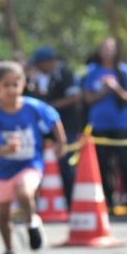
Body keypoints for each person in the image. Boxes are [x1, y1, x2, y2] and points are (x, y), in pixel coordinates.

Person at [0, 60, 65, 254]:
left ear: (23, 84)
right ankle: (10, 249)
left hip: (30, 163)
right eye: (6, 85)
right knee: (2, 216)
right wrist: (6, 149)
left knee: (24, 191)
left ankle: (31, 224)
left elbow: (54, 117)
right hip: (3, 169)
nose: (11, 89)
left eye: (15, 84)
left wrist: (61, 142)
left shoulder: (32, 107)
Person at [81, 37, 127, 212]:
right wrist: (104, 91)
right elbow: (88, 98)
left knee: (125, 162)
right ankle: (108, 200)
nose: (107, 51)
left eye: (111, 48)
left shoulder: (124, 71)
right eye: (104, 48)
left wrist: (115, 88)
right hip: (99, 125)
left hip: (121, 125)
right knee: (103, 164)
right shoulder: (93, 71)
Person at [27, 46, 81, 207]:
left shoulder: (65, 74)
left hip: (67, 125)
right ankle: (39, 203)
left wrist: (49, 107)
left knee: (66, 163)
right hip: (43, 129)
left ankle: (71, 202)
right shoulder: (35, 79)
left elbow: (74, 97)